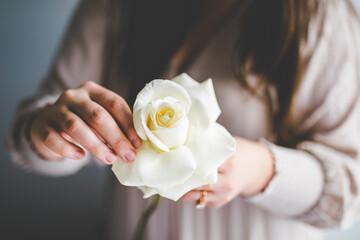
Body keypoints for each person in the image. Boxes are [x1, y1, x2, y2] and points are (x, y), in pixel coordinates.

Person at [6, 0, 360, 239]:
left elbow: (349, 191)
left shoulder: (320, 16)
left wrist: (259, 170)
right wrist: (44, 133)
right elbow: (46, 137)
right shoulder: (116, 7)